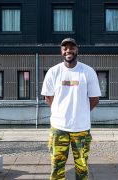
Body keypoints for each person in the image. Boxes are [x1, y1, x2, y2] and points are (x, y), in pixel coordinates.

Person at [41, 38, 101, 180]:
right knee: (56, 167)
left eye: (71, 48)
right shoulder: (53, 72)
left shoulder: (87, 71)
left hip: (81, 129)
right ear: (61, 51)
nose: (68, 50)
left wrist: (81, 112)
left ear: (77, 50)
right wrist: (59, 111)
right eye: (65, 48)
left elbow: (95, 98)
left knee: (82, 167)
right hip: (58, 128)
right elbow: (48, 97)